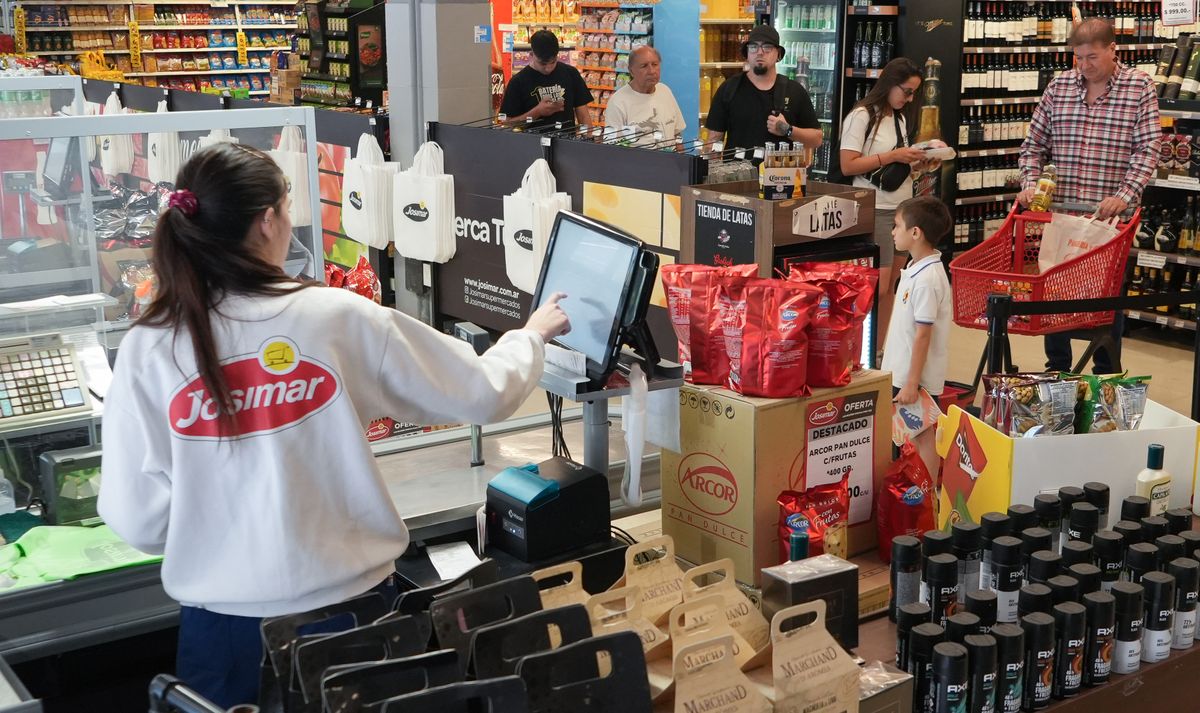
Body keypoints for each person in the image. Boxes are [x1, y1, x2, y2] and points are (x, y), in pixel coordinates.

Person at [96, 143, 570, 708]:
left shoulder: (150, 346)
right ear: (268, 219)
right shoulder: (335, 317)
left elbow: (139, 520)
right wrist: (530, 336)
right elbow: (481, 391)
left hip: (223, 637)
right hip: (359, 622)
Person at [1018, 18, 1160, 374]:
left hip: (1109, 221)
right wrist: (1031, 181)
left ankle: (1106, 374)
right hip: (1062, 215)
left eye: (1092, 57)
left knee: (1106, 301)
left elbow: (1148, 148)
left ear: (1114, 49)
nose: (1084, 65)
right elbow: (1033, 144)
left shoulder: (1139, 86)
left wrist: (1125, 194)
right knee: (1054, 292)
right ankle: (1058, 371)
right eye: (1078, 57)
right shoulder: (1059, 86)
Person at [838, 57, 927, 354]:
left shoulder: (900, 118)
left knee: (893, 287)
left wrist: (918, 164)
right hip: (873, 208)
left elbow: (896, 169)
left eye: (914, 92)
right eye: (906, 90)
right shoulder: (862, 116)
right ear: (889, 84)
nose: (909, 98)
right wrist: (892, 156)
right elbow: (848, 165)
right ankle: (861, 351)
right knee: (878, 285)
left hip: (902, 209)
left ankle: (880, 350)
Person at [881, 195, 953, 478]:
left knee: (923, 436)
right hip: (901, 372)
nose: (892, 232)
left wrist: (911, 384)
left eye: (897, 226)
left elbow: (923, 335)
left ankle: (925, 499)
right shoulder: (914, 269)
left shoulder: (927, 279)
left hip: (915, 378)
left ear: (915, 232)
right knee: (908, 435)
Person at [704, 25, 822, 152]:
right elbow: (714, 141)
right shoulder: (729, 89)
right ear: (747, 54)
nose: (760, 52)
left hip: (781, 171)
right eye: (754, 47)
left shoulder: (794, 90)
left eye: (767, 47)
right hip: (737, 171)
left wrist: (787, 130)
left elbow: (817, 140)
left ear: (778, 54)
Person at [500, 30, 593, 127]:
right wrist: (538, 111)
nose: (548, 68)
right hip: (531, 141)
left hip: (566, 141)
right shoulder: (518, 82)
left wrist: (588, 139)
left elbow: (584, 116)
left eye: (553, 62)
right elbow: (507, 123)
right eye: (542, 63)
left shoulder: (571, 73)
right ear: (531, 55)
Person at [605, 45, 686, 146]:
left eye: (655, 64)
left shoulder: (665, 91)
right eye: (644, 66)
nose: (651, 71)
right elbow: (611, 147)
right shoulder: (618, 102)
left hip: (669, 160)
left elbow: (676, 133)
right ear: (631, 71)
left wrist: (681, 159)